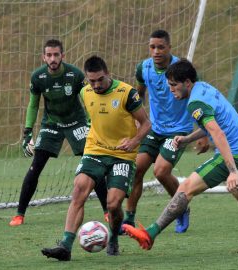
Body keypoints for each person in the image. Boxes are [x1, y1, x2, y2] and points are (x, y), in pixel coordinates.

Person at [122, 59, 238, 250]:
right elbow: (213, 125)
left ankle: (150, 234)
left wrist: (233, 170)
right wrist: (187, 139)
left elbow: (217, 133)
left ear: (187, 82)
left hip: (234, 155)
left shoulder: (195, 103)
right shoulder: (203, 88)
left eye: (173, 85)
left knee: (185, 188)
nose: (170, 89)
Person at [41, 55, 151, 261]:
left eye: (100, 79)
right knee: (79, 190)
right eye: (92, 81)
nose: (96, 85)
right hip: (95, 150)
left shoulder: (127, 93)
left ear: (108, 74)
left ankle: (114, 237)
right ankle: (65, 246)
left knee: (113, 204)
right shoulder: (84, 92)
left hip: (122, 155)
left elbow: (146, 123)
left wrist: (134, 141)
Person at [9, 39, 108, 226]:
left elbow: (88, 98)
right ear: (43, 57)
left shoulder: (75, 75)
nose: (52, 58)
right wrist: (27, 132)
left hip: (77, 122)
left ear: (63, 56)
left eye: (56, 55)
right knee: (36, 166)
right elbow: (33, 105)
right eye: (49, 55)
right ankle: (19, 214)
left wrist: (91, 122)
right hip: (52, 123)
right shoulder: (38, 77)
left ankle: (107, 211)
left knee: (94, 162)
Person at [122, 29, 209, 234]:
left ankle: (181, 207)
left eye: (161, 47)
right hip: (154, 129)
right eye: (152, 47)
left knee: (160, 171)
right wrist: (138, 121)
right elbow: (139, 94)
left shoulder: (182, 69)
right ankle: (128, 220)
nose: (156, 51)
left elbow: (201, 98)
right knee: (137, 169)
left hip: (178, 131)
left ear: (169, 47)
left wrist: (204, 133)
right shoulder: (143, 68)